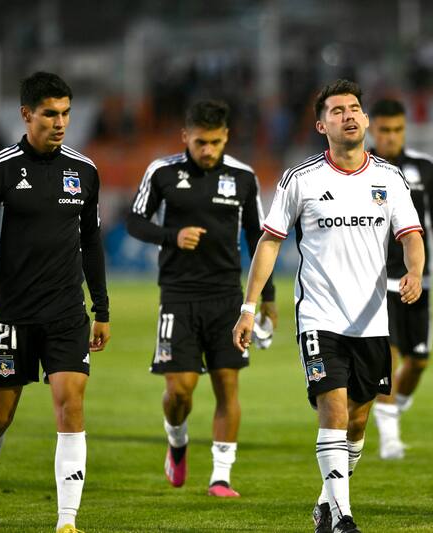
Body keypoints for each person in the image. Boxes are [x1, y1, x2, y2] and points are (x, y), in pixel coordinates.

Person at [233, 79, 425, 533]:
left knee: (357, 422)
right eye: (337, 111)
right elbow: (269, 242)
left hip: (372, 320)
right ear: (322, 126)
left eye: (354, 108)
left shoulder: (389, 178)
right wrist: (249, 307)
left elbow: (411, 235)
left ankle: (326, 501)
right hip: (319, 317)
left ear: (365, 119)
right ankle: (343, 517)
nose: (349, 115)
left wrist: (415, 271)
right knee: (334, 412)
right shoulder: (301, 179)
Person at [0, 72, 110, 533]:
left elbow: (92, 242)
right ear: (26, 114)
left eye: (66, 113)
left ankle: (67, 522)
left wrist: (101, 309)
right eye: (49, 113)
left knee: (71, 406)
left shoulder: (84, 171)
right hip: (12, 315)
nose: (60, 122)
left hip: (66, 312)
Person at [127, 99, 277, 498]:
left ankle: (221, 477)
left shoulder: (243, 177)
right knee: (180, 391)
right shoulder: (162, 172)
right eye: (199, 143)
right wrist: (171, 236)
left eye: (214, 142)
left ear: (226, 136)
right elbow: (134, 221)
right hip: (177, 295)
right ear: (185, 137)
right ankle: (177, 441)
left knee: (228, 386)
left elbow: (258, 237)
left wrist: (267, 297)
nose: (207, 150)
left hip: (227, 296)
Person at [367, 98, 433, 460]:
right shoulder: (361, 167)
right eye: (384, 130)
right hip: (375, 280)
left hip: (416, 278)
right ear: (373, 130)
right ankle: (390, 439)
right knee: (387, 358)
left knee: (418, 360)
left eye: (397, 130)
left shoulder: (425, 168)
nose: (390, 136)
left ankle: (390, 412)